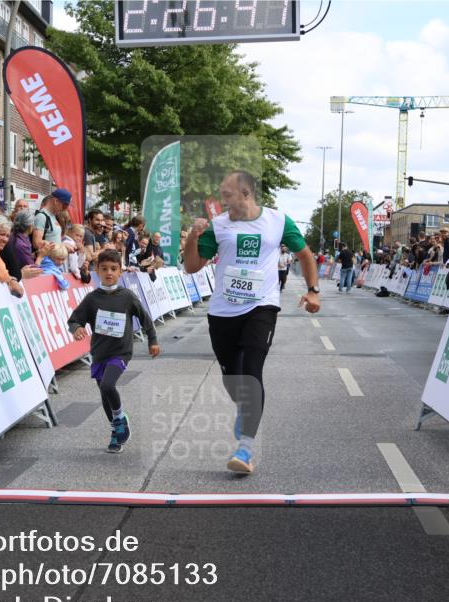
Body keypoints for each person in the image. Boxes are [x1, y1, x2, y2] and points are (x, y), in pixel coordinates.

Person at [183, 170, 320, 474]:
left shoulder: (277, 221)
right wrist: (193, 236)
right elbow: (192, 266)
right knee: (233, 380)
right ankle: (245, 410)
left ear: (246, 193)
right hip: (222, 311)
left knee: (252, 370)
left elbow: (306, 255)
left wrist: (312, 291)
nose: (222, 199)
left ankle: (245, 449)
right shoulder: (217, 226)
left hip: (262, 306)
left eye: (227, 194)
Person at [67, 249, 160, 453]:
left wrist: (152, 340)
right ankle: (115, 433)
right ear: (97, 271)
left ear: (120, 272)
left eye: (113, 269)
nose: (109, 273)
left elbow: (145, 319)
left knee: (109, 385)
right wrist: (77, 329)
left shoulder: (127, 296)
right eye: (104, 269)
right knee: (104, 391)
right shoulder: (92, 299)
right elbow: (74, 320)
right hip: (100, 352)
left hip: (121, 351)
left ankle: (119, 418)